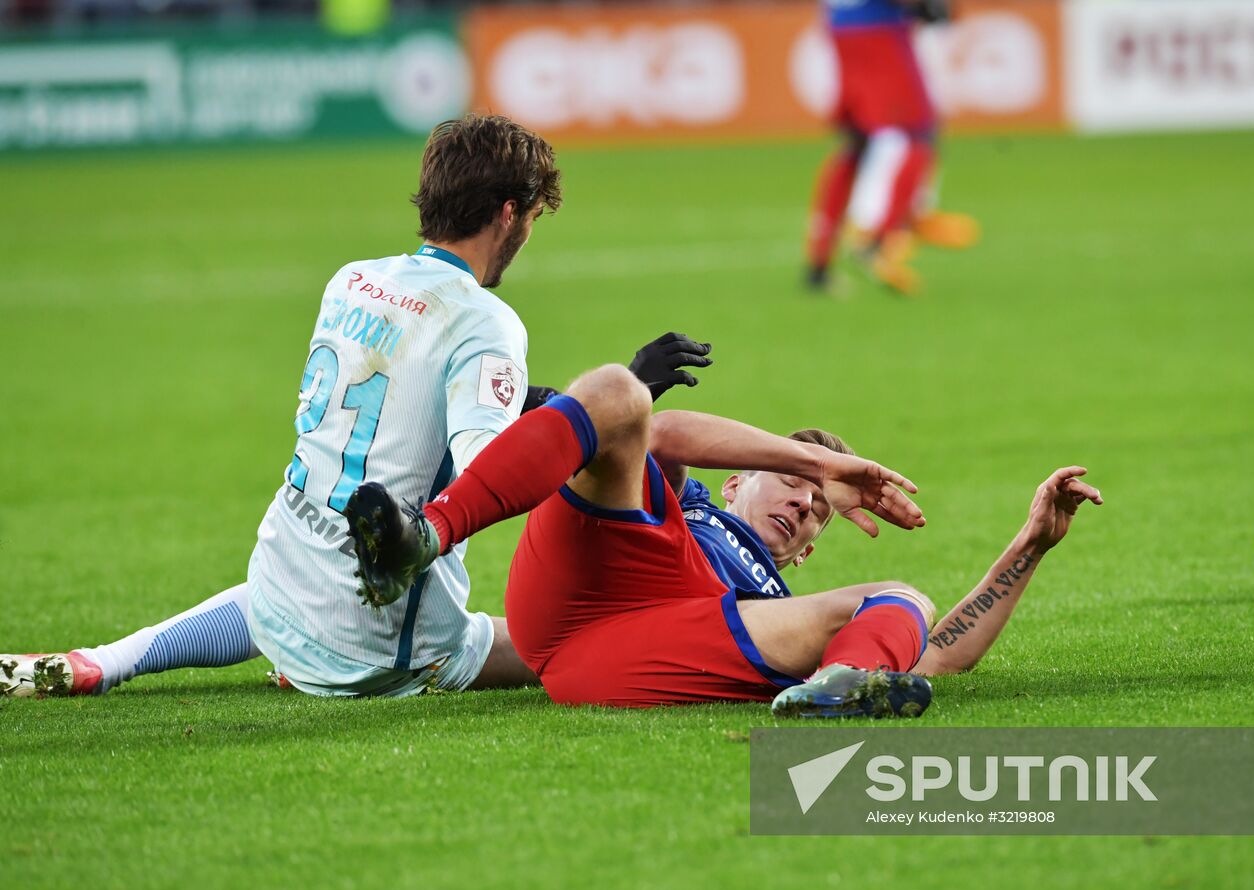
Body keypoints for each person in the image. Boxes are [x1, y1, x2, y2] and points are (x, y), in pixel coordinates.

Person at [0, 115, 708, 700]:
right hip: (379, 643)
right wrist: (615, 406)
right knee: (566, 638)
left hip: (287, 583)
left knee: (289, 579)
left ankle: (105, 660)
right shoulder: (484, 321)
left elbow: (416, 389)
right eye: (529, 219)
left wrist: (554, 401)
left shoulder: (352, 281)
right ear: (507, 214)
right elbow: (491, 471)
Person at [346, 367, 1102, 718]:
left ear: (806, 552)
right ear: (736, 482)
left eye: (816, 514)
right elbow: (665, 431)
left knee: (902, 599)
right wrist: (816, 462)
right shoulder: (683, 502)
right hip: (595, 586)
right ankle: (426, 535)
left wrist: (1032, 542)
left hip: (643, 649)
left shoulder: (777, 602)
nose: (805, 504)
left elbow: (935, 651)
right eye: (788, 486)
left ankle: (838, 691)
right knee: (615, 393)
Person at [804, 0, 981, 295]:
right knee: (918, 136)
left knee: (857, 144)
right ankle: (880, 241)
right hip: (880, 30)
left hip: (841, 27)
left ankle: (818, 264)